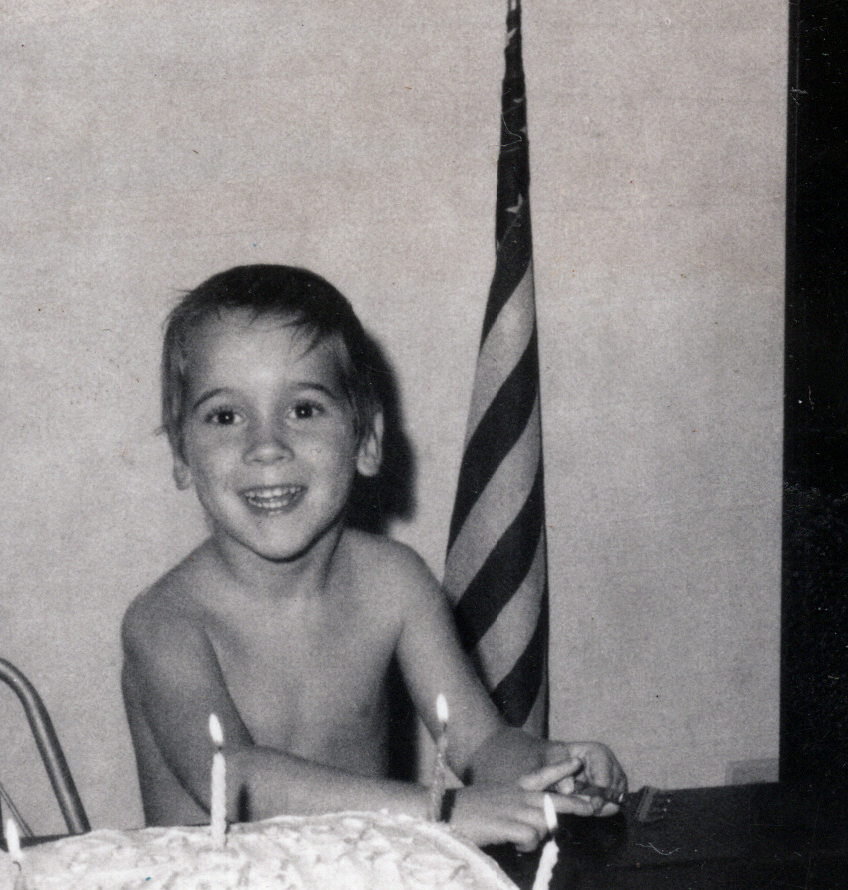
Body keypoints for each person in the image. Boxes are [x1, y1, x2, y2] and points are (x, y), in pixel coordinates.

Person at [121, 264, 624, 847]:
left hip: (364, 879)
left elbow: (482, 743)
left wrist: (544, 769)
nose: (266, 446)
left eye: (303, 409)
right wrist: (444, 812)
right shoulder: (165, 620)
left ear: (366, 440)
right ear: (181, 453)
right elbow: (232, 779)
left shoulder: (394, 583)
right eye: (225, 416)